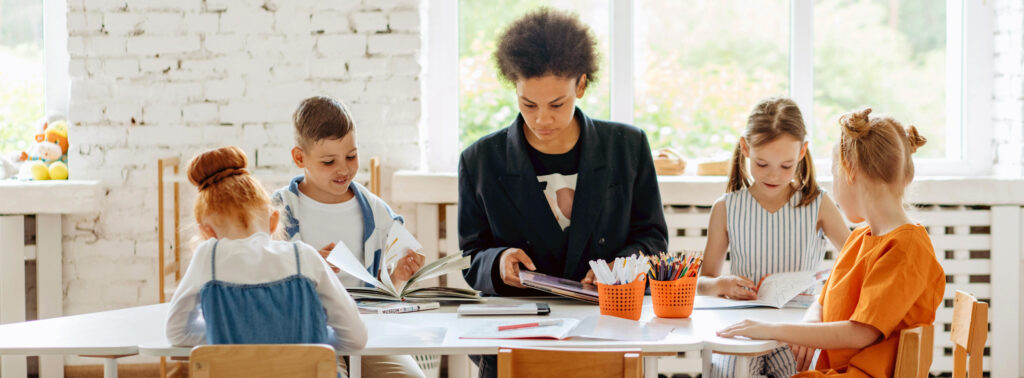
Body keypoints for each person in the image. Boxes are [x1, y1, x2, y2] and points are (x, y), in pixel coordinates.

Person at [457, 8, 668, 377]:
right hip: (516, 340)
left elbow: (651, 238)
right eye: (527, 105)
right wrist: (499, 260)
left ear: (581, 85)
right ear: (515, 88)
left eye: (557, 104)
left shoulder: (628, 147)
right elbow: (472, 257)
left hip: (607, 333)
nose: (542, 120)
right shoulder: (480, 161)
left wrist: (621, 267)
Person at [716, 108, 945, 377]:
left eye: (834, 176)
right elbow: (824, 301)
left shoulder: (906, 248)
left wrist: (770, 329)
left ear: (848, 172)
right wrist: (808, 331)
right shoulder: (861, 238)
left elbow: (860, 333)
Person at [165, 146, 366, 375]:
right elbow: (356, 338)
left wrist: (231, 336)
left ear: (207, 233)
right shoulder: (305, 257)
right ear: (273, 221)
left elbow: (177, 333)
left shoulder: (207, 258)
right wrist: (313, 340)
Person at [271, 96, 426, 377]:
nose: (344, 169)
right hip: (307, 330)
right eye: (329, 161)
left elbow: (385, 287)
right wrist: (306, 265)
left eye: (351, 156)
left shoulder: (375, 210)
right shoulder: (280, 211)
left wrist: (399, 274)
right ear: (299, 158)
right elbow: (262, 276)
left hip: (364, 328)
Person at [698, 97, 850, 376]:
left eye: (786, 165)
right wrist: (721, 284)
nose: (774, 175)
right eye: (762, 163)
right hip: (744, 330)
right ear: (745, 148)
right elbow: (702, 283)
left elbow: (856, 263)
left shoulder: (819, 203)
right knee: (730, 372)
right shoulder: (726, 207)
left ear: (803, 152)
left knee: (810, 373)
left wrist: (821, 311)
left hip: (799, 331)